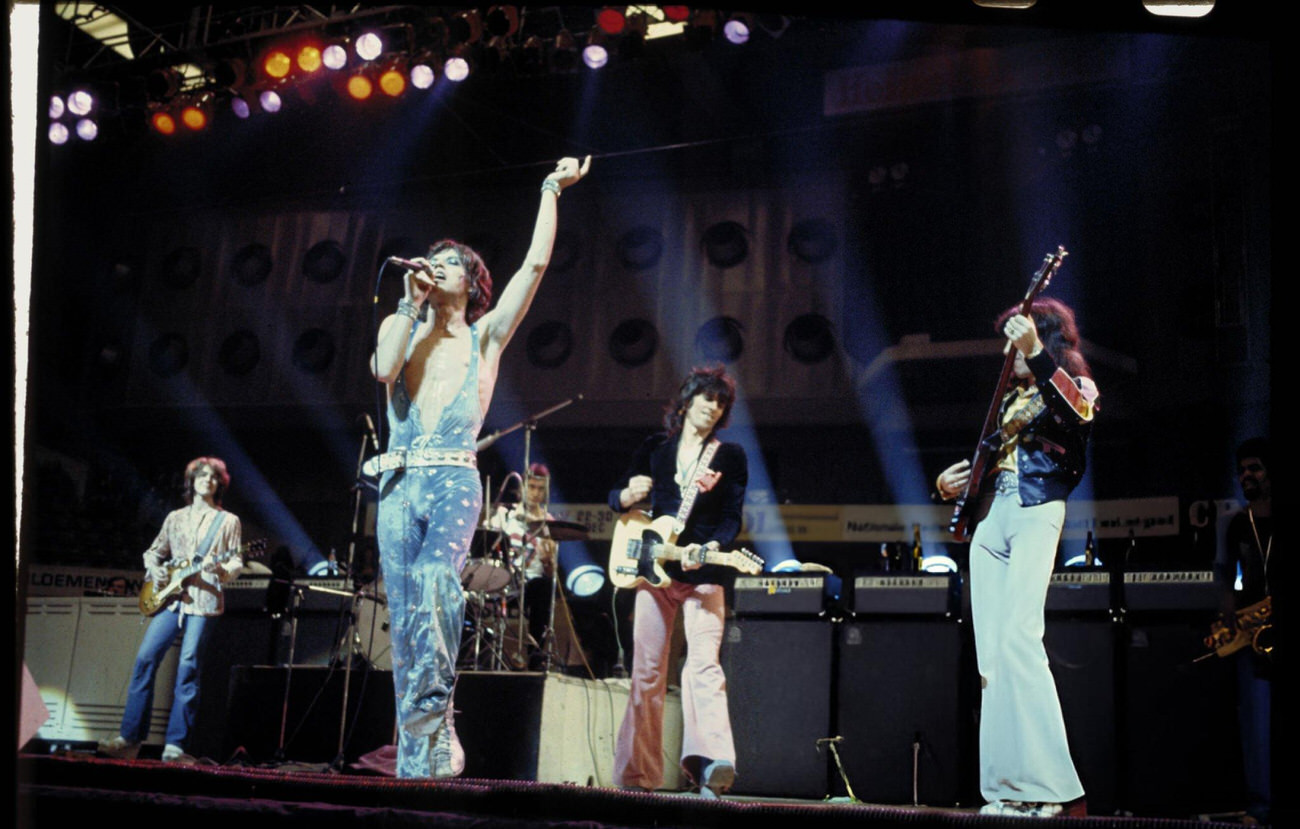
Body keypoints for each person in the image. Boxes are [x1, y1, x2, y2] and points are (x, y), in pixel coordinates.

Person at [368, 156, 590, 779]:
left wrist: (549, 189)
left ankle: (439, 727)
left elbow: (536, 266)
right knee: (409, 620)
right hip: (396, 481)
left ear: (471, 282)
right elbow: (384, 371)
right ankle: (420, 755)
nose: (434, 268)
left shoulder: (485, 335)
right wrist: (409, 307)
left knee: (440, 580)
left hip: (452, 477)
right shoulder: (399, 324)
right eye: (430, 261)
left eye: (449, 264)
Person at [935, 298, 1096, 818]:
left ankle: (1055, 789)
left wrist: (1038, 354)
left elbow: (1080, 416)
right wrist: (948, 486)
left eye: (1021, 338)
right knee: (992, 659)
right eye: (1011, 340)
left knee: (1021, 642)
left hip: (1036, 508)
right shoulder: (1008, 400)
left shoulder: (1069, 377)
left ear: (1043, 336)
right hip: (992, 518)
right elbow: (985, 461)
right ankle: (1006, 787)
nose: (1011, 350)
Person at [608, 365, 748, 797]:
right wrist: (626, 496)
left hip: (704, 572)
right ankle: (637, 776)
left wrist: (707, 549)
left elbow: (731, 519)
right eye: (707, 398)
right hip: (654, 571)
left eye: (720, 403)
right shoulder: (655, 447)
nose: (713, 407)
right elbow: (618, 498)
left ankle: (711, 766)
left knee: (703, 666)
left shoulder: (730, 456)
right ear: (687, 400)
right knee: (646, 670)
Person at [98, 457, 244, 763]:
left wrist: (220, 570)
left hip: (203, 602)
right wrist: (158, 571)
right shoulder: (175, 518)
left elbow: (236, 562)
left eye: (213, 477)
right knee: (145, 659)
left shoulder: (228, 521)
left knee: (188, 666)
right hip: (170, 599)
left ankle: (175, 747)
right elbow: (153, 552)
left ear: (220, 484)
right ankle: (130, 739)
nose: (207, 480)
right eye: (201, 475)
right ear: (191, 481)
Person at [1214, 437, 1272, 825]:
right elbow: (1223, 570)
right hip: (1254, 631)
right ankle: (1260, 807)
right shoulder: (1237, 521)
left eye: (1255, 468)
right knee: (1256, 725)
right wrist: (1227, 606)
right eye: (1242, 470)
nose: (1246, 476)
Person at [489, 463, 559, 669]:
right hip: (503, 583)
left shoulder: (548, 523)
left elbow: (550, 573)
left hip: (531, 585)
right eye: (532, 487)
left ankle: (536, 657)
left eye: (540, 488)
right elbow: (486, 547)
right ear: (522, 487)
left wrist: (548, 561)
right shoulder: (505, 515)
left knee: (543, 587)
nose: (535, 493)